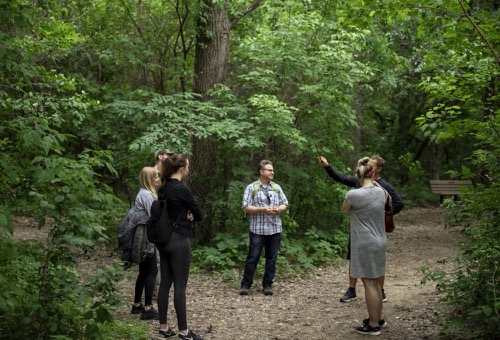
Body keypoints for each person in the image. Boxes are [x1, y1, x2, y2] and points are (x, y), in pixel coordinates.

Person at [318, 154, 404, 303]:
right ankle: (351, 290)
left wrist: (383, 216)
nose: (368, 166)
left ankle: (380, 290)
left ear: (378, 169)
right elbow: (340, 178)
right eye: (367, 163)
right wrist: (327, 166)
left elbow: (399, 203)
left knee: (377, 261)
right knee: (353, 258)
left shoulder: (384, 187)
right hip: (358, 230)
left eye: (371, 164)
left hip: (375, 229)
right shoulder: (358, 183)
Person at [157, 154, 203, 340]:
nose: (189, 170)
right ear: (182, 169)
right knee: (180, 286)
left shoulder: (163, 187)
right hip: (179, 240)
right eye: (188, 167)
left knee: (165, 282)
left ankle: (164, 327)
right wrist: (190, 216)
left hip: (164, 239)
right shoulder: (182, 189)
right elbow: (198, 213)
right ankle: (184, 331)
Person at [342, 157, 389, 335]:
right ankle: (377, 318)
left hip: (364, 242)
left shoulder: (353, 195)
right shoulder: (381, 193)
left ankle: (373, 325)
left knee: (368, 282)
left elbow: (345, 209)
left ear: (358, 175)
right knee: (376, 281)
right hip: (380, 240)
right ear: (373, 173)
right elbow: (389, 199)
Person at [239, 160, 289, 296]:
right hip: (257, 229)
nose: (272, 172)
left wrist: (278, 209)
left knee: (271, 258)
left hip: (275, 229)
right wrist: (262, 209)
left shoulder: (277, 187)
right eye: (269, 170)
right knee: (253, 257)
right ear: (261, 172)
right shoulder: (251, 188)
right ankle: (245, 285)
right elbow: (245, 207)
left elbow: (285, 203)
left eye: (272, 170)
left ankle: (267, 285)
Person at [130, 167, 160, 320]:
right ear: (149, 179)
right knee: (151, 271)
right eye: (156, 177)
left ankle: (137, 304)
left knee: (143, 271)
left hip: (141, 237)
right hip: (146, 238)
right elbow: (153, 217)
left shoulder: (142, 193)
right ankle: (147, 307)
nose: (158, 180)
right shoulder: (147, 196)